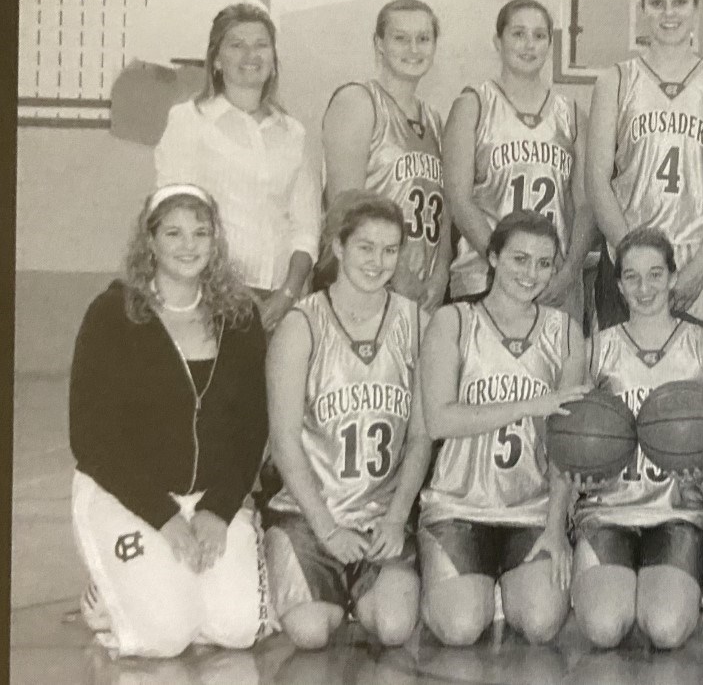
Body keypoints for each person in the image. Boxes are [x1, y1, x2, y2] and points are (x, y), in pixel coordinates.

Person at [69, 184, 274, 658]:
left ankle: (165, 586)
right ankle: (108, 596)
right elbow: (90, 440)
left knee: (237, 629)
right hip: (129, 495)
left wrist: (218, 510)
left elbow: (252, 429)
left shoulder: (240, 317)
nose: (188, 245)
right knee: (164, 638)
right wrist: (165, 519)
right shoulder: (112, 315)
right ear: (150, 241)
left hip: (209, 499)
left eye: (201, 232)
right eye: (174, 232)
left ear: (215, 241)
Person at [264, 193, 430, 650]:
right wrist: (328, 529)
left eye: (390, 249)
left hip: (380, 520)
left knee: (395, 627)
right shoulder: (302, 325)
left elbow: (419, 438)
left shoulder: (416, 323)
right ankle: (275, 571)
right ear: (337, 247)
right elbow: (283, 442)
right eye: (365, 247)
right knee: (311, 633)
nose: (378, 262)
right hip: (310, 514)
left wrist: (397, 520)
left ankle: (361, 592)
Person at [417, 211, 588, 646]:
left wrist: (555, 526)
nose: (531, 274)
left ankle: (496, 585)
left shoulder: (566, 332)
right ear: (492, 257)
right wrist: (532, 404)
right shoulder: (453, 321)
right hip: (459, 505)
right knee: (459, 629)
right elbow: (440, 420)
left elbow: (567, 444)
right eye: (519, 259)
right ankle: (463, 587)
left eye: (544, 263)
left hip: (530, 507)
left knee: (541, 623)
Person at [571, 227, 703, 650]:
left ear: (674, 277)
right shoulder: (594, 350)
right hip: (608, 510)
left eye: (656, 274)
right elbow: (564, 437)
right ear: (618, 285)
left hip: (679, 511)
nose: (645, 288)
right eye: (633, 277)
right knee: (603, 628)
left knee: (665, 628)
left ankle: (690, 570)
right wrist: (576, 478)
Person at [586, 0, 703, 334]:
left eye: (680, 2)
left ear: (695, 9)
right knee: (618, 384)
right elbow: (597, 181)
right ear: (642, 9)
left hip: (697, 261)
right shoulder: (614, 80)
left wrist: (702, 265)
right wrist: (634, 260)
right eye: (657, 3)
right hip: (624, 255)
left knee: (690, 387)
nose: (668, 12)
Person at [155, 2, 320, 331]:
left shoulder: (293, 134)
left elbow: (306, 229)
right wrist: (220, 293)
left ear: (273, 60)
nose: (251, 54)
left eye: (261, 44)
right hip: (211, 300)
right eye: (237, 45)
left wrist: (287, 294)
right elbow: (173, 217)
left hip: (282, 303)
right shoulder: (189, 121)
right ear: (216, 60)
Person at [443, 0, 592, 314]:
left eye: (539, 36)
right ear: (498, 41)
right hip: (484, 278)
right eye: (518, 34)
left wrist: (568, 272)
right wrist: (509, 266)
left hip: (553, 284)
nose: (529, 45)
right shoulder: (473, 105)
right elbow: (459, 200)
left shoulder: (572, 115)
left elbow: (585, 206)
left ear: (550, 44)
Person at [322, 0, 451, 314]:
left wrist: (442, 270)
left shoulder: (434, 119)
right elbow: (346, 206)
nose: (413, 48)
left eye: (423, 39)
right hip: (366, 281)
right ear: (379, 43)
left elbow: (445, 209)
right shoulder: (358, 101)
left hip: (422, 290)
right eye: (400, 38)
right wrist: (397, 271)